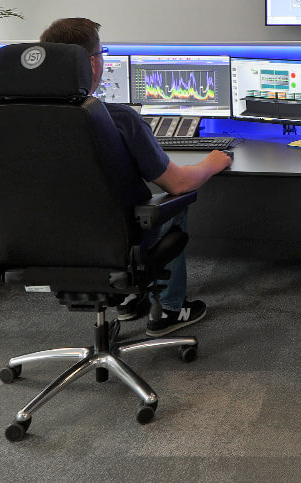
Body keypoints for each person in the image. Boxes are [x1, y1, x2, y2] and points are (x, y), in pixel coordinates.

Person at [38, 17, 231, 336]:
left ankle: (129, 296)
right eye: (101, 53)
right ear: (91, 63)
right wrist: (212, 162)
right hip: (111, 242)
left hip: (42, 241)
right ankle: (169, 310)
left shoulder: (9, 119)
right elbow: (179, 183)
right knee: (172, 202)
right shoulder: (117, 119)